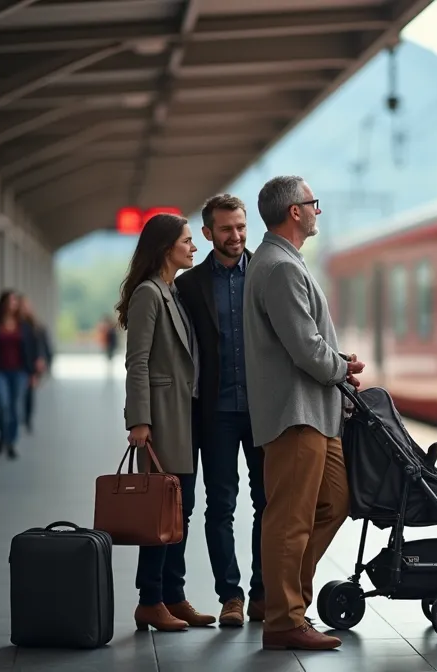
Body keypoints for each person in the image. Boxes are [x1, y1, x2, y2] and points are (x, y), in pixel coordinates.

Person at [243, 175, 364, 651]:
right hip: (295, 415)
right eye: (313, 203)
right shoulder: (279, 267)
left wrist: (335, 367)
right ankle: (284, 620)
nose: (317, 210)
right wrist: (340, 365)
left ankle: (290, 599)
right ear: (295, 211)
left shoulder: (283, 262)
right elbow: (306, 348)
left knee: (335, 502)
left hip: (317, 411)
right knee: (289, 519)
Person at [116, 212, 215, 632]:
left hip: (182, 415)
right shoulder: (148, 294)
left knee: (180, 509)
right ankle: (150, 600)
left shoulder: (171, 291)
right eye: (188, 241)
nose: (194, 247)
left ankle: (172, 596)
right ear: (165, 247)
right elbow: (136, 361)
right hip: (160, 418)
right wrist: (139, 419)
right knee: (161, 512)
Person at [174, 194, 266, 626]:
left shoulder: (266, 274)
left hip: (266, 409)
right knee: (220, 505)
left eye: (242, 227)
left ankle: (264, 592)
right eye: (227, 229)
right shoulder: (188, 286)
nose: (237, 236)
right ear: (208, 233)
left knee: (269, 502)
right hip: (214, 412)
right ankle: (231, 596)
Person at [0, 290, 43, 460]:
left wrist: (33, 373)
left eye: (14, 301)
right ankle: (3, 434)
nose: (12, 304)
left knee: (15, 407)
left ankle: (10, 442)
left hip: (20, 372)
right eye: (9, 301)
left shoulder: (23, 325)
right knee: (2, 405)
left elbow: (31, 348)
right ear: (2, 303)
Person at [19, 296, 52, 434]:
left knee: (28, 394)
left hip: (31, 366)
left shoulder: (36, 327)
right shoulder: (11, 325)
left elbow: (43, 347)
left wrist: (43, 363)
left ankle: (27, 419)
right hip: (16, 365)